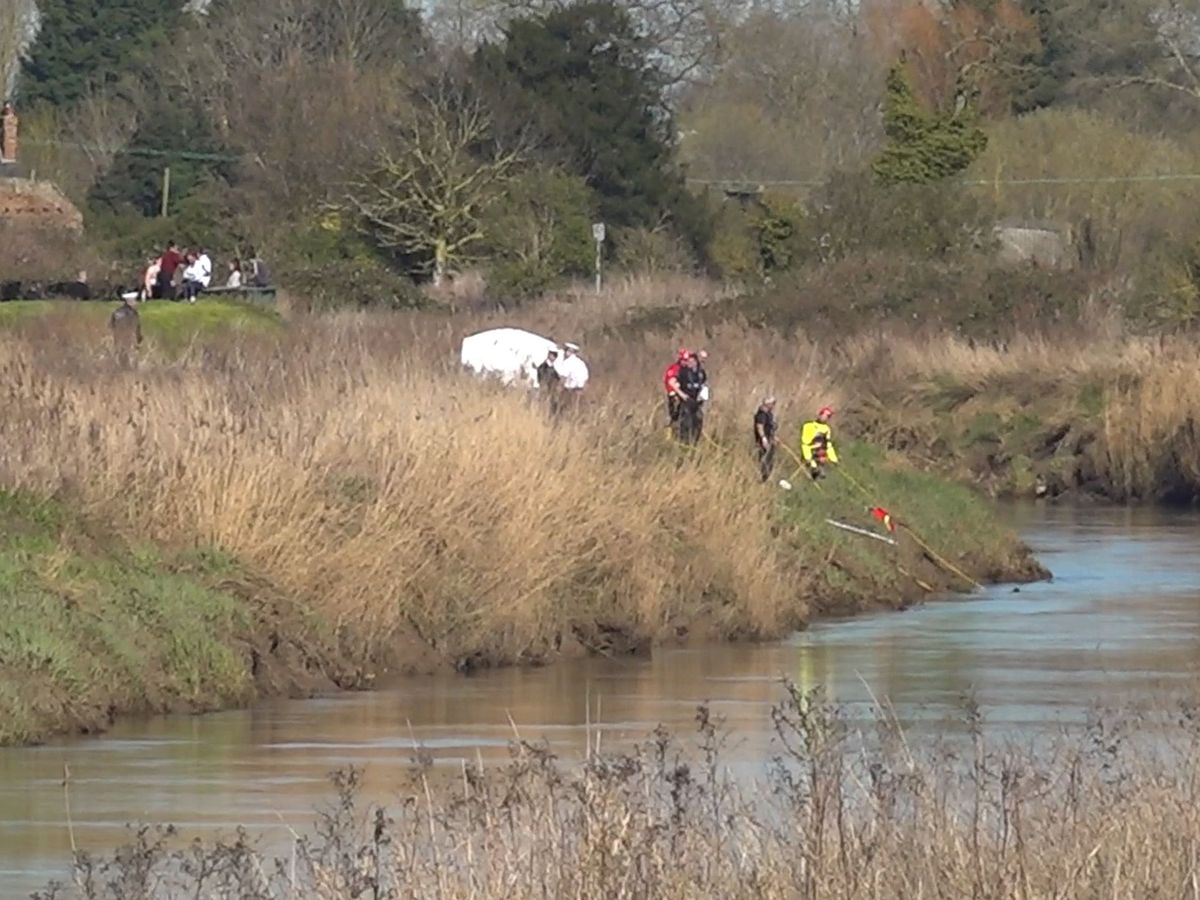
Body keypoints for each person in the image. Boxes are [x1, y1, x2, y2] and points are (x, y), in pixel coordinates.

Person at [800, 405, 839, 480]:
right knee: (813, 468)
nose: (824, 417)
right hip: (810, 453)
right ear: (820, 415)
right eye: (823, 415)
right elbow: (805, 444)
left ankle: (819, 473)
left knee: (821, 474)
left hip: (820, 455)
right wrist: (808, 457)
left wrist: (834, 459)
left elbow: (828, 445)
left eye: (827, 416)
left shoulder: (827, 429)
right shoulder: (808, 426)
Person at [676, 352, 705, 445]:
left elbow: (705, 386)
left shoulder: (700, 373)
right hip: (686, 402)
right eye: (689, 361)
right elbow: (675, 385)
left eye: (693, 361)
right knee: (686, 424)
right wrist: (683, 396)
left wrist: (702, 397)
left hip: (697, 402)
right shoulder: (683, 372)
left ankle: (695, 441)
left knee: (698, 422)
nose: (691, 363)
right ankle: (684, 442)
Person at [109, 296, 143, 365]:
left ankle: (119, 365)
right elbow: (137, 326)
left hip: (118, 334)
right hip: (129, 335)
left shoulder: (116, 312)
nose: (136, 303)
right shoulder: (134, 313)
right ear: (129, 302)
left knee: (119, 349)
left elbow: (111, 325)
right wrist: (139, 336)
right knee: (129, 350)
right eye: (134, 301)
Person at [753, 397, 778, 482]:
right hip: (764, 441)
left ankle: (768, 478)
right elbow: (759, 426)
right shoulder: (761, 414)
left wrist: (774, 437)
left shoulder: (769, 414)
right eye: (773, 403)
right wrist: (763, 438)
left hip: (770, 439)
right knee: (764, 460)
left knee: (770, 460)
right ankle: (764, 478)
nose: (774, 406)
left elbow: (770, 427)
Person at [663, 348, 690, 427]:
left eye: (687, 360)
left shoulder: (688, 370)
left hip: (686, 392)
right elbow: (671, 383)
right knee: (675, 400)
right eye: (684, 360)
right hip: (674, 392)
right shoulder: (674, 369)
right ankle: (672, 419)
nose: (686, 362)